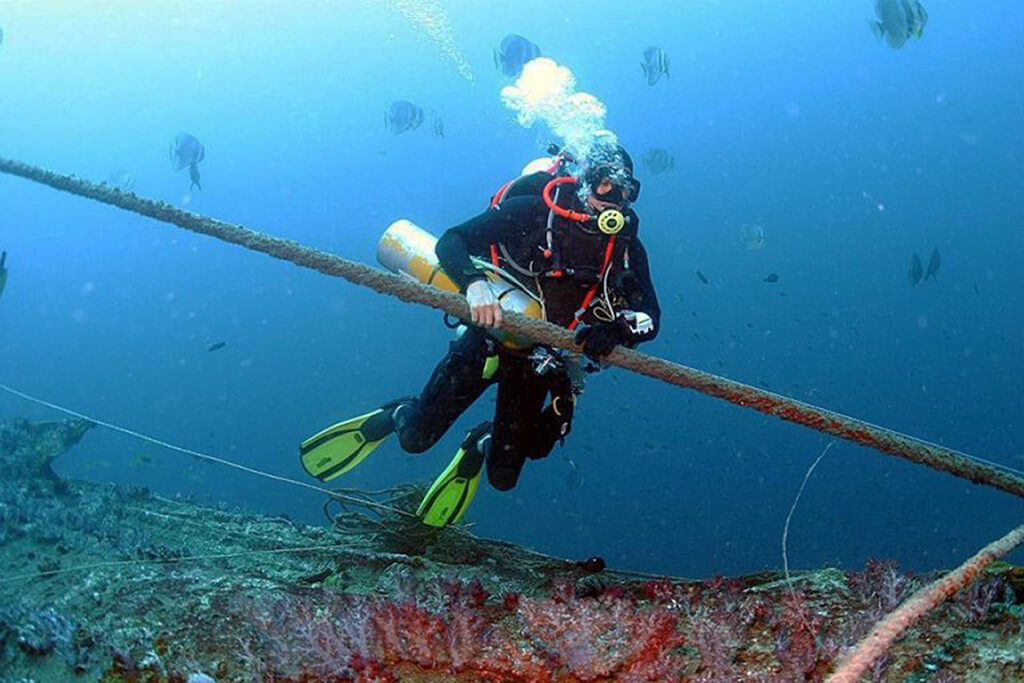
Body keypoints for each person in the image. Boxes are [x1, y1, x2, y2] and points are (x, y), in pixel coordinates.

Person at [301, 141, 660, 527]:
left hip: (539, 362)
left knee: (503, 478)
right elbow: (451, 241)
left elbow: (651, 318)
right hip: (486, 338)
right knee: (416, 440)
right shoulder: (534, 212)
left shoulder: (625, 249)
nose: (614, 198)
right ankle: (399, 414)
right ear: (584, 182)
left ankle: (480, 443)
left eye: (625, 190)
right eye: (604, 185)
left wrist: (616, 329)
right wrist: (473, 284)